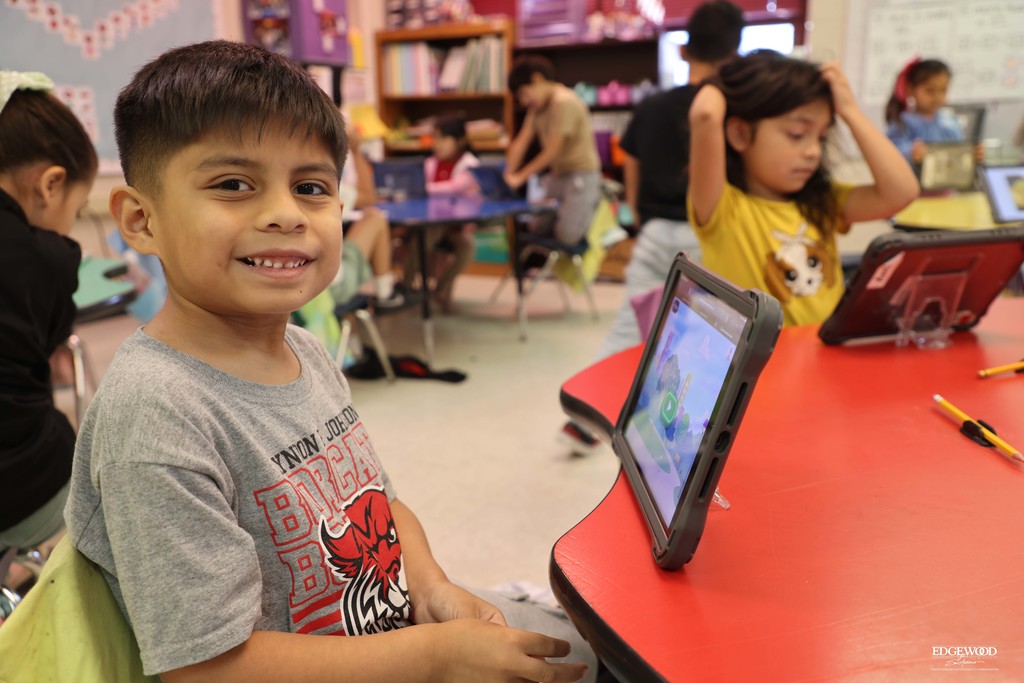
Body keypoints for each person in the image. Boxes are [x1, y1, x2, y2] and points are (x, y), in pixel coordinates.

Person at [63, 41, 596, 682]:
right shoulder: (157, 415)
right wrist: (433, 658)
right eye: (234, 185)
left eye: (311, 187)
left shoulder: (307, 350)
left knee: (597, 642)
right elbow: (204, 669)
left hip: (388, 640)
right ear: (141, 219)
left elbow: (384, 508)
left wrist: (431, 589)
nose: (286, 214)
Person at [561, 0, 744, 456]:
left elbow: (632, 166)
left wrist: (639, 217)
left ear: (685, 51)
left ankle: (587, 418)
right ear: (736, 51)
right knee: (711, 338)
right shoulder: (733, 111)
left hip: (657, 228)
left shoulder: (654, 106)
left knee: (630, 324)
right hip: (711, 236)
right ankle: (688, 434)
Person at [688, 51, 918, 327]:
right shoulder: (723, 208)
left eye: (820, 138)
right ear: (739, 134)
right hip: (765, 368)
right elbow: (705, 114)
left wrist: (850, 112)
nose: (812, 152)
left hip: (825, 359)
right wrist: (722, 81)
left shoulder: (823, 201)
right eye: (796, 134)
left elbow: (902, 192)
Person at [0, 72, 97, 559]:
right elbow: (54, 348)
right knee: (79, 464)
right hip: (19, 492)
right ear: (50, 184)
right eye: (76, 210)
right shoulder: (47, 257)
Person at [504, 55, 601, 246]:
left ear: (537, 80)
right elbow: (521, 142)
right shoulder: (537, 107)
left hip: (580, 176)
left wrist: (520, 177)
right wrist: (507, 174)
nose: (523, 102)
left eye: (524, 93)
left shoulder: (564, 102)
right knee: (537, 227)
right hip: (557, 175)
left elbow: (552, 151)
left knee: (567, 236)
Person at [403, 113, 480, 312]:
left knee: (467, 247)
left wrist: (423, 188)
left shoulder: (470, 165)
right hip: (430, 224)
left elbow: (455, 187)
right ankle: (407, 285)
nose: (437, 144)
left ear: (460, 140)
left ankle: (440, 290)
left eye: (443, 138)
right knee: (426, 235)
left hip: (456, 227)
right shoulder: (431, 163)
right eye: (435, 138)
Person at [330, 125, 405, 309]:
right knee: (375, 218)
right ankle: (384, 293)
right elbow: (368, 197)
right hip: (328, 288)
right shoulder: (326, 186)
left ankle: (385, 287)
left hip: (299, 291)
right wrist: (355, 150)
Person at [884, 57, 983, 167]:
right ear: (910, 89)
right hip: (911, 182)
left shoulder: (949, 121)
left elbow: (957, 152)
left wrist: (971, 154)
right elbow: (888, 154)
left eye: (943, 90)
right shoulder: (903, 122)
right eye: (930, 91)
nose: (937, 97)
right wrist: (911, 153)